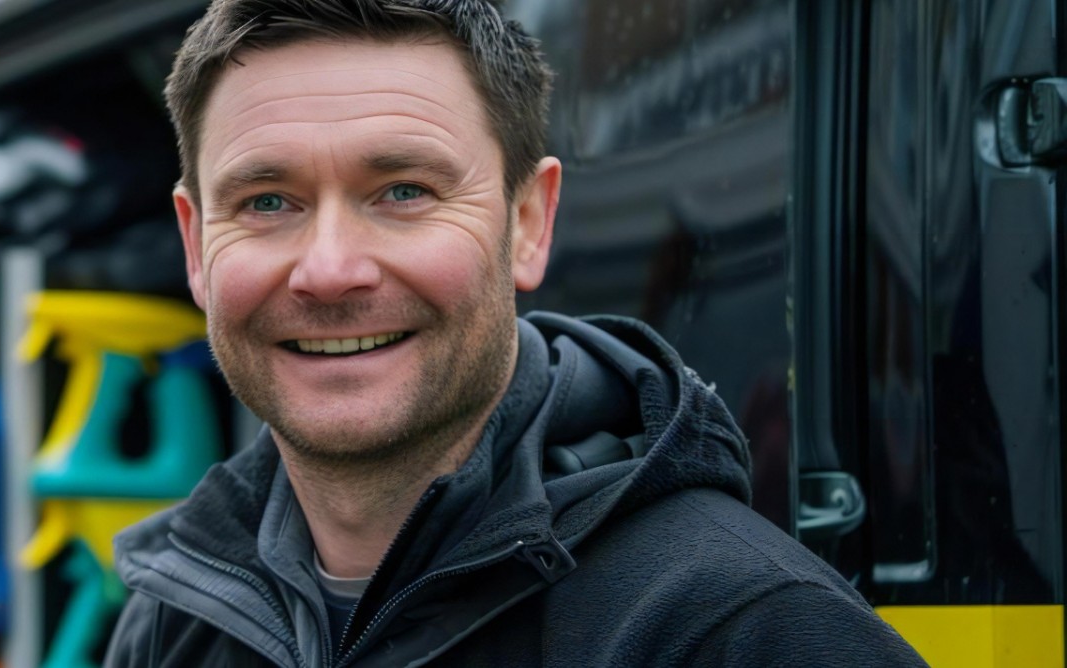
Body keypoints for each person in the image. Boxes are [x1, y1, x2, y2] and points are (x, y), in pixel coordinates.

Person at [105, 1, 925, 665]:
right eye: (267, 203)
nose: (329, 270)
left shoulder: (737, 630)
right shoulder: (174, 620)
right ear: (196, 247)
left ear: (528, 223)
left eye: (403, 191)